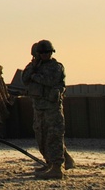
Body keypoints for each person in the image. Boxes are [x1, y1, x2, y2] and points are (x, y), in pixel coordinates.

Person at [22, 39, 67, 179]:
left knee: (54, 137)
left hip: (51, 108)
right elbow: (24, 79)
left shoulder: (56, 66)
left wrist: (35, 76)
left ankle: (57, 167)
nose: (45, 55)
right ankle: (49, 164)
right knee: (41, 136)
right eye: (42, 52)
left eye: (47, 52)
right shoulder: (34, 66)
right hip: (39, 108)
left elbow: (50, 81)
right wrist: (33, 68)